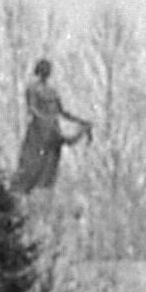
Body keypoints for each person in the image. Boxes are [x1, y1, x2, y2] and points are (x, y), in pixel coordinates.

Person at [12, 57, 92, 196]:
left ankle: (39, 192)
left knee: (49, 167)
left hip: (52, 131)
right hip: (38, 132)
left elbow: (62, 112)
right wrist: (45, 119)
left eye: (48, 69)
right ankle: (23, 190)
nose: (47, 72)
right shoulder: (32, 88)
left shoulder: (52, 91)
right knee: (32, 165)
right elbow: (32, 108)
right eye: (45, 69)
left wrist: (81, 121)